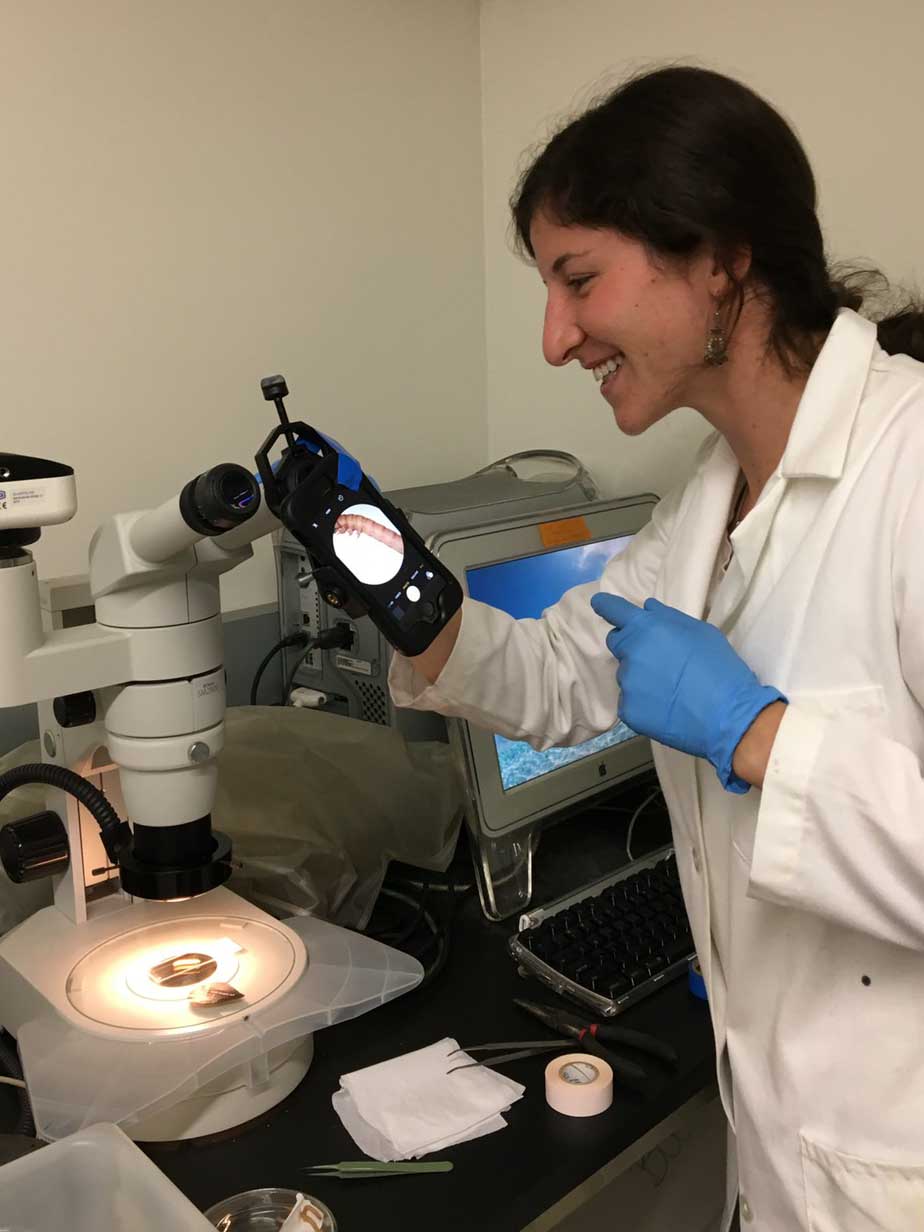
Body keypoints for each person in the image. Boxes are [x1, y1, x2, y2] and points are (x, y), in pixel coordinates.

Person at [387, 66, 924, 1231]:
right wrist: (402, 595)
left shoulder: (914, 469)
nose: (554, 337)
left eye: (580, 279)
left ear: (722, 256)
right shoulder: (709, 499)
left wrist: (761, 734)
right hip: (785, 1157)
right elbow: (566, 672)